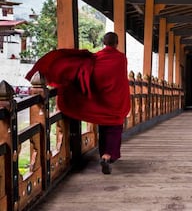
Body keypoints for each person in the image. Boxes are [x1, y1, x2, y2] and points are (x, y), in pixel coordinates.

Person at [26, 32, 130, 174]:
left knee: (103, 128)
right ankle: (108, 155)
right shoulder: (121, 59)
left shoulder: (97, 58)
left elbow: (89, 75)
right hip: (116, 101)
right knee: (114, 129)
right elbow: (120, 80)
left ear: (104, 43)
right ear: (117, 43)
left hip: (101, 101)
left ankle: (103, 155)